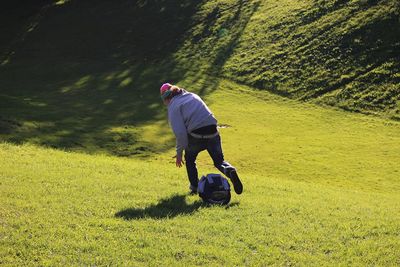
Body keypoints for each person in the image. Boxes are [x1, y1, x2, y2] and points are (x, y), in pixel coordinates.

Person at [160, 83, 243, 195]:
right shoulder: (192, 96)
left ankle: (194, 187)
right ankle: (229, 170)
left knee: (190, 159)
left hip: (196, 135)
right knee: (219, 161)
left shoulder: (173, 106)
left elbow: (180, 133)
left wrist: (179, 153)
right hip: (213, 131)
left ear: (166, 98)